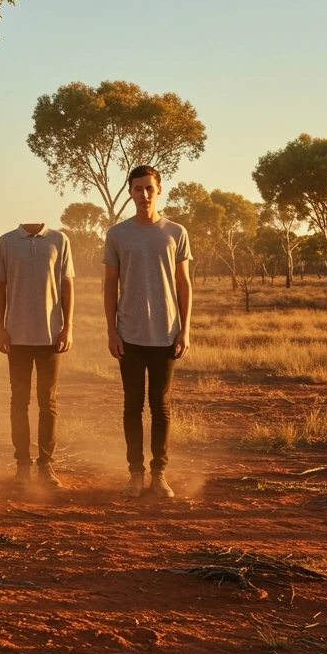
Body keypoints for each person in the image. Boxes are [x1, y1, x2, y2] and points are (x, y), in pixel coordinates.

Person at [103, 166, 192, 499]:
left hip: (166, 334)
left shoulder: (176, 233)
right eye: (137, 189)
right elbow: (110, 284)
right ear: (130, 192)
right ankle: (135, 474)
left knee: (161, 406)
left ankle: (159, 475)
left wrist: (185, 329)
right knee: (132, 405)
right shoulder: (117, 235)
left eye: (148, 189)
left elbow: (184, 284)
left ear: (160, 190)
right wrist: (111, 330)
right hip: (129, 333)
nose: (143, 195)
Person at [0, 222, 75, 487]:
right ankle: (22, 466)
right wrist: (0, 329)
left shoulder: (59, 240)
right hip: (17, 337)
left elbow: (67, 285)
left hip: (50, 336)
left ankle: (46, 466)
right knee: (19, 401)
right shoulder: (6, 241)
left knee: (47, 402)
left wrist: (68, 327)